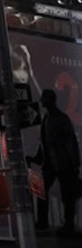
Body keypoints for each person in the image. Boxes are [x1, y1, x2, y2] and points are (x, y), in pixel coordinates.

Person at [29, 89, 81, 234]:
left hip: (64, 164)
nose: (42, 102)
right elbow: (43, 142)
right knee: (41, 191)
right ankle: (43, 222)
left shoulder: (61, 118)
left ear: (51, 100)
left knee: (67, 195)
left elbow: (71, 142)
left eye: (44, 99)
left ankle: (68, 225)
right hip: (50, 165)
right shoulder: (46, 118)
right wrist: (37, 158)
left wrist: (75, 164)